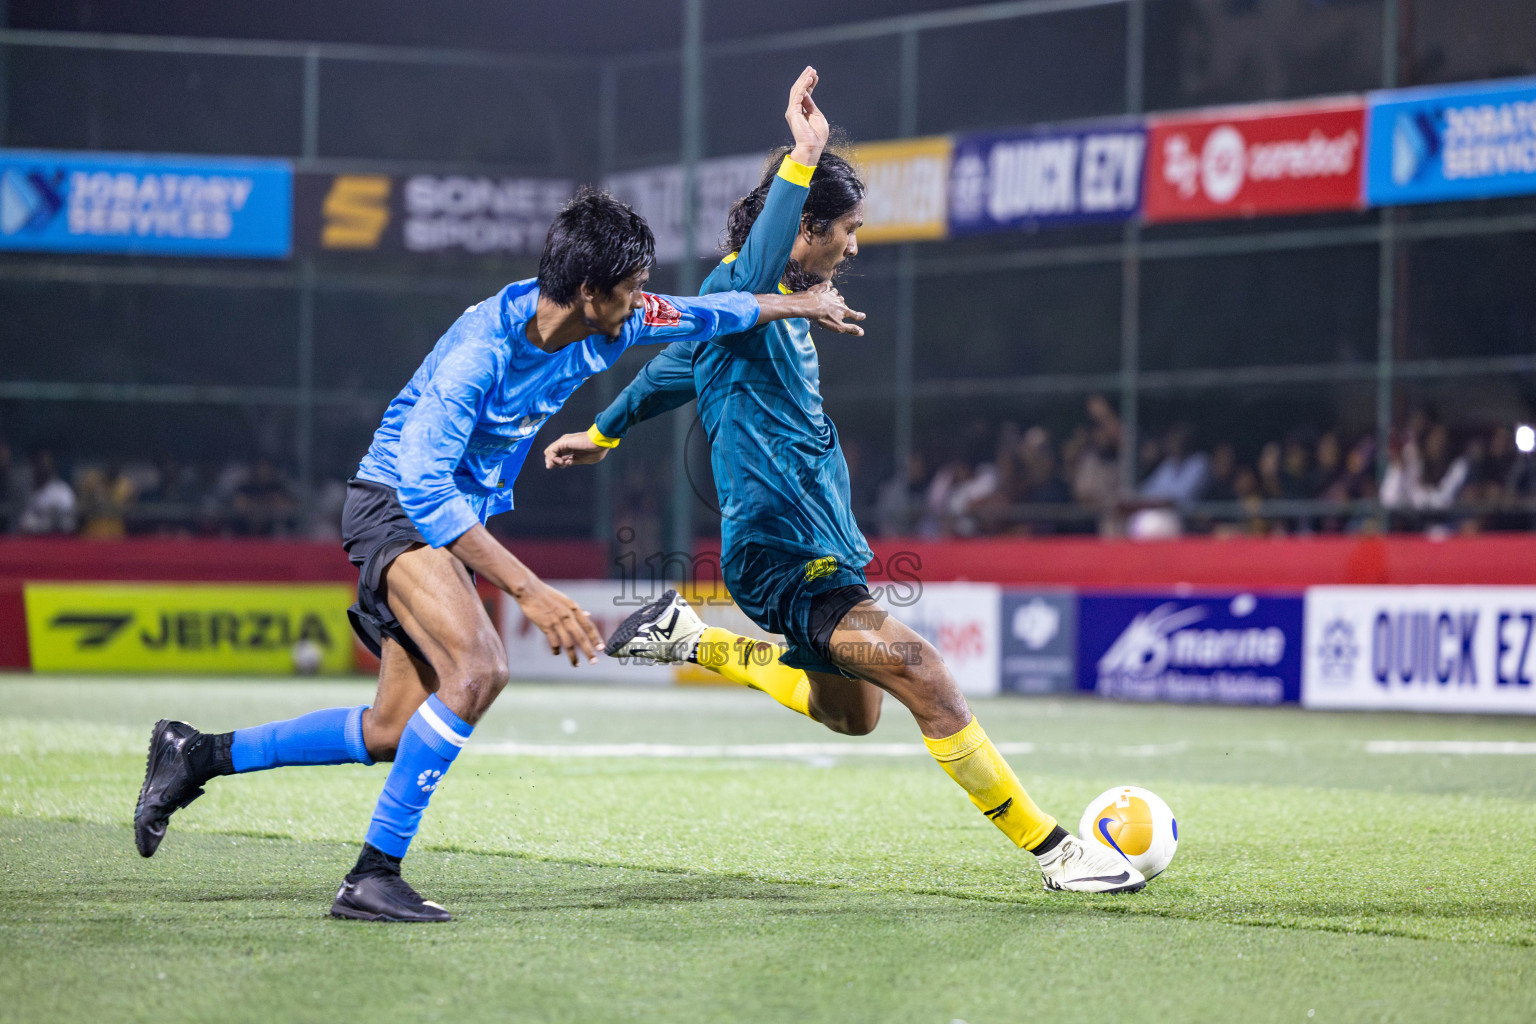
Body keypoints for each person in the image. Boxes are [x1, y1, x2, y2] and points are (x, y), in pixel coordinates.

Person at [132, 185, 864, 923]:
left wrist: (796, 306)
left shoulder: (613, 321)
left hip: (444, 519)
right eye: (631, 289)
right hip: (397, 507)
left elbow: (708, 314)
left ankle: (197, 754)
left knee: (391, 731)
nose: (643, 303)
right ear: (587, 291)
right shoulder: (480, 352)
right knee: (480, 668)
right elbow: (422, 488)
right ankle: (371, 876)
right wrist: (530, 591)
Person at [544, 67, 1142, 894]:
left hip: (826, 547)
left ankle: (692, 637)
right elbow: (741, 289)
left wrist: (604, 432)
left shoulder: (784, 307)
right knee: (924, 672)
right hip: (781, 555)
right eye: (847, 229)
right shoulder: (739, 289)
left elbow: (672, 373)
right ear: (805, 228)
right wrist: (808, 149)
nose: (855, 245)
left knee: (853, 714)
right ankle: (1056, 852)